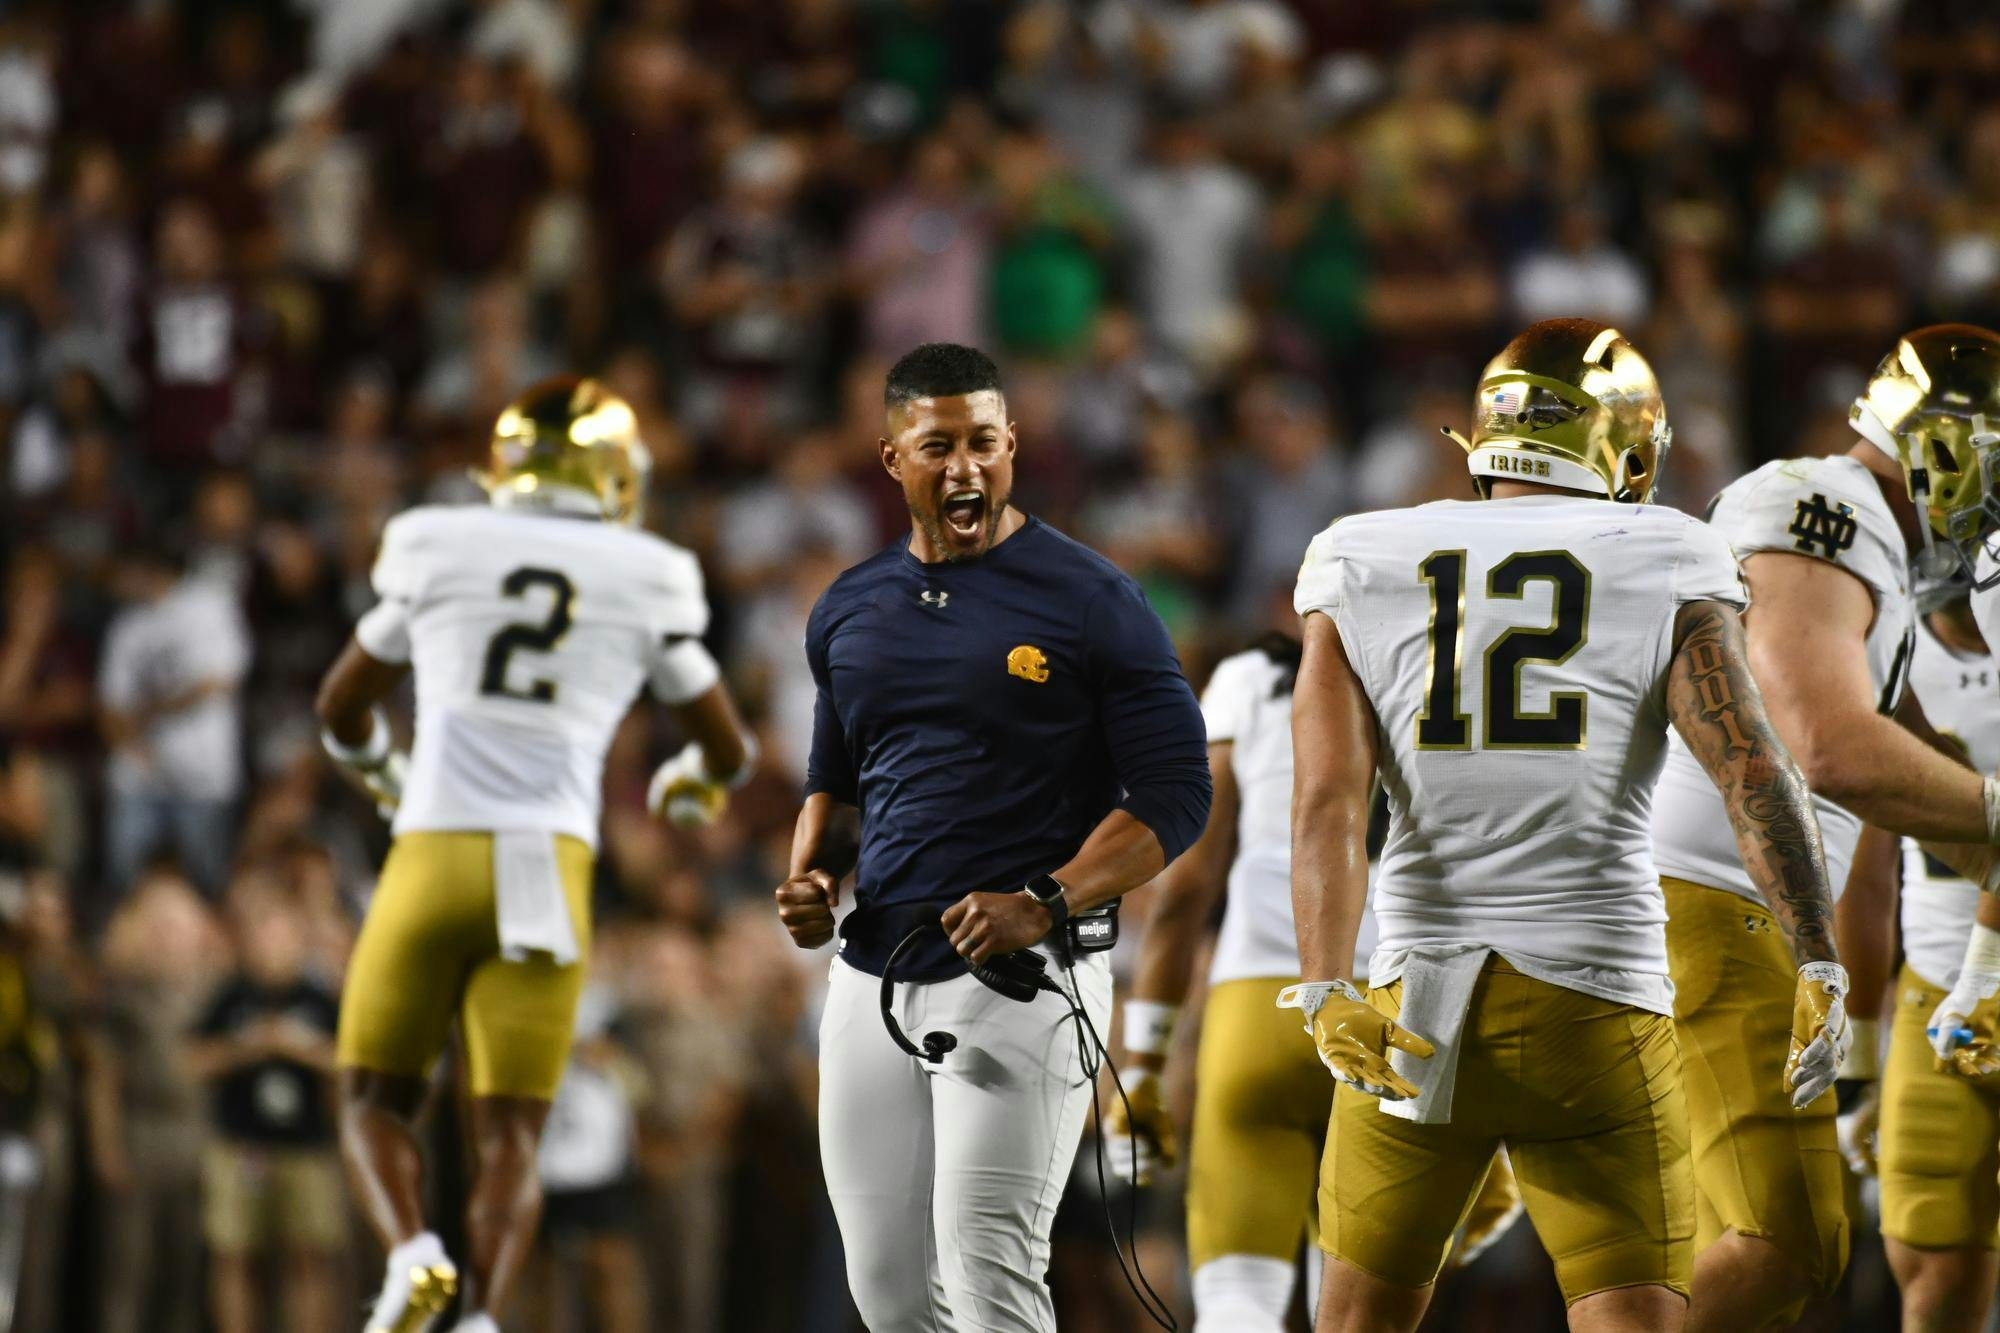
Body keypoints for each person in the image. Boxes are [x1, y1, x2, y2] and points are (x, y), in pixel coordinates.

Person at [1288, 318, 1845, 1333]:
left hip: (1410, 1008)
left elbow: (1325, 801)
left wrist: (1325, 983)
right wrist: (1815, 954)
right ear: (1622, 450)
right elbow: (1748, 766)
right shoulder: (1667, 550)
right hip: (1595, 1010)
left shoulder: (1357, 553)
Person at [774, 342, 1210, 1331]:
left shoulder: (1091, 598)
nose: (964, 466)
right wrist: (807, 874)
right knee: (885, 1296)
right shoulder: (848, 605)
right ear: (893, 459)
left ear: (1011, 445)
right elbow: (837, 778)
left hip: (1026, 975)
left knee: (987, 1274)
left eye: (983, 442)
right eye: (938, 445)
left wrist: (1043, 899)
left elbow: (1180, 792)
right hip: (873, 966)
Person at [316, 377, 755, 1333]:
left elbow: (339, 706)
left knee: (370, 1098)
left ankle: (412, 1256)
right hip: (549, 868)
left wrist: (383, 770)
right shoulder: (646, 571)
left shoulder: (437, 541)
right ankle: (480, 1315)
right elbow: (724, 743)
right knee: (511, 1131)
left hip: (434, 849)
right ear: (606, 472)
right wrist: (692, 780)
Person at [1647, 322, 2000, 1331]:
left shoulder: (1863, 542)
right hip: (1713, 900)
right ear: (1945, 443)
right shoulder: (1819, 510)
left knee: (1725, 1246)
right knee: (1790, 1238)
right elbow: (1832, 751)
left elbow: (1912, 774)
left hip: (1733, 912)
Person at [1104, 630, 1520, 1331]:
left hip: (1262, 1004)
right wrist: (1496, 1124)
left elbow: (1186, 888)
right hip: (1402, 1013)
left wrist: (1142, 1064)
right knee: (1358, 1311)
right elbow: (1499, 885)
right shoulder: (1450, 682)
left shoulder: (1249, 676)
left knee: (1238, 1299)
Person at [1837, 587, 2000, 1332]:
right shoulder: (1885, 643)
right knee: (1931, 1252)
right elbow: (1867, 878)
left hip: (1964, 984)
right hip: (1938, 992)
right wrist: (1860, 1059)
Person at [187, 888, 343, 1333]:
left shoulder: (318, 998)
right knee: (234, 1256)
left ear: (300, 941)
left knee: (309, 1257)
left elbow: (350, 1064)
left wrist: (301, 1047)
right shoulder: (232, 995)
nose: (273, 946)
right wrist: (248, 1045)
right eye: (264, 936)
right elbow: (194, 1060)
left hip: (306, 1149)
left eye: (283, 936)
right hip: (240, 1148)